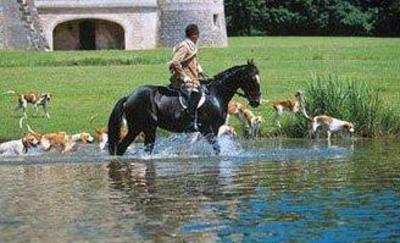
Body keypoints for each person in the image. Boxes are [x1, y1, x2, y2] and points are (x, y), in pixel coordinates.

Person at [169, 24, 206, 130]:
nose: (198, 37)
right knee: (196, 93)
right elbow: (175, 62)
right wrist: (184, 76)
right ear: (194, 35)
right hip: (183, 80)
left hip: (194, 77)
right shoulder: (185, 46)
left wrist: (200, 70)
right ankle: (190, 121)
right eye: (197, 35)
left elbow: (192, 60)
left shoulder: (191, 45)